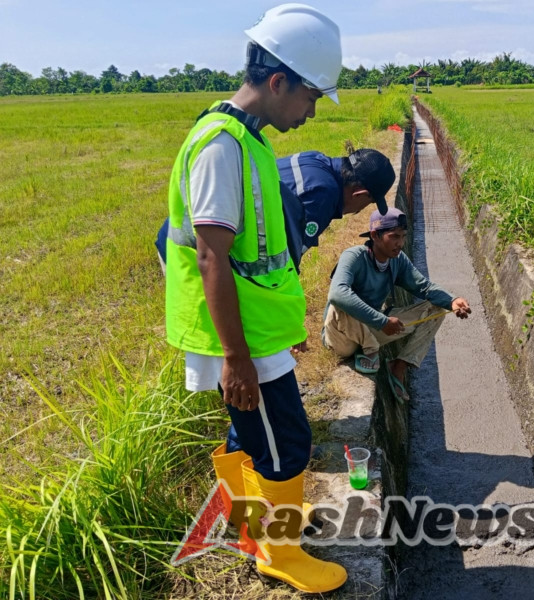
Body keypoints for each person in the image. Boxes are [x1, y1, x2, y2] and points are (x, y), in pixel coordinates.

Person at [164, 4, 346, 593]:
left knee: (250, 440)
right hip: (238, 338)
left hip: (254, 331)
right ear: (278, 82)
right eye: (311, 96)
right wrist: (236, 357)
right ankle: (280, 553)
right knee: (286, 444)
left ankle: (258, 529)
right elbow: (211, 256)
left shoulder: (249, 140)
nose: (312, 110)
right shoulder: (223, 145)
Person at [156, 147, 395, 274]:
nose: (360, 210)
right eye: (369, 203)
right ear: (359, 194)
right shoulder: (324, 195)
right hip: (200, 249)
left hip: (186, 230)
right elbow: (286, 262)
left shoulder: (316, 160)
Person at [322, 208, 471, 402]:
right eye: (394, 237)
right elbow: (337, 293)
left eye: (403, 237)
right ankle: (371, 350)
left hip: (373, 329)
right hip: (343, 337)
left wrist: (452, 300)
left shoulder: (397, 261)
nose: (400, 243)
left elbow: (424, 287)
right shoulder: (354, 257)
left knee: (435, 308)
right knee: (340, 301)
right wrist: (381, 320)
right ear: (375, 235)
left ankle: (399, 366)